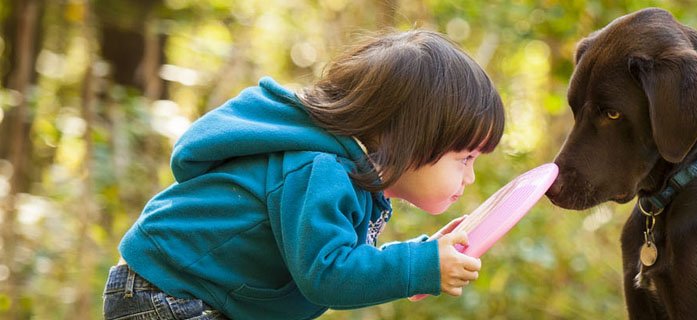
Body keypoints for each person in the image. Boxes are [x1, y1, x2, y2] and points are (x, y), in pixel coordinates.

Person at [103, 29, 502, 319]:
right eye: (465, 158)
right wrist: (419, 265)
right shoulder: (318, 169)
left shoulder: (339, 171)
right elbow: (327, 274)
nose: (469, 178)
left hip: (186, 295)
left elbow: (334, 258)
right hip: (165, 296)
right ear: (408, 139)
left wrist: (422, 258)